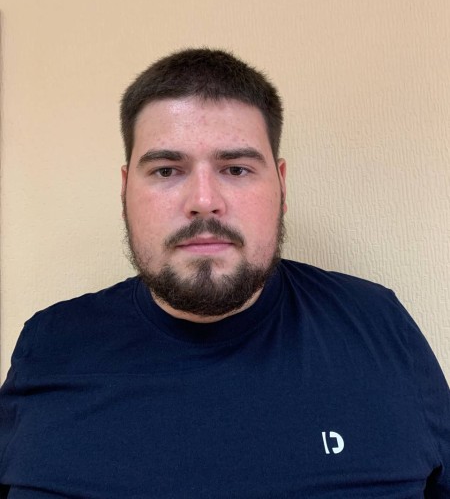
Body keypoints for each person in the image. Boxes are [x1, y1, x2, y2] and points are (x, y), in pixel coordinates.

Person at [0, 48, 448, 498]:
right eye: (166, 170)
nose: (203, 201)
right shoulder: (48, 344)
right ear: (124, 190)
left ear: (281, 185)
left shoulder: (379, 327)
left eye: (236, 168)